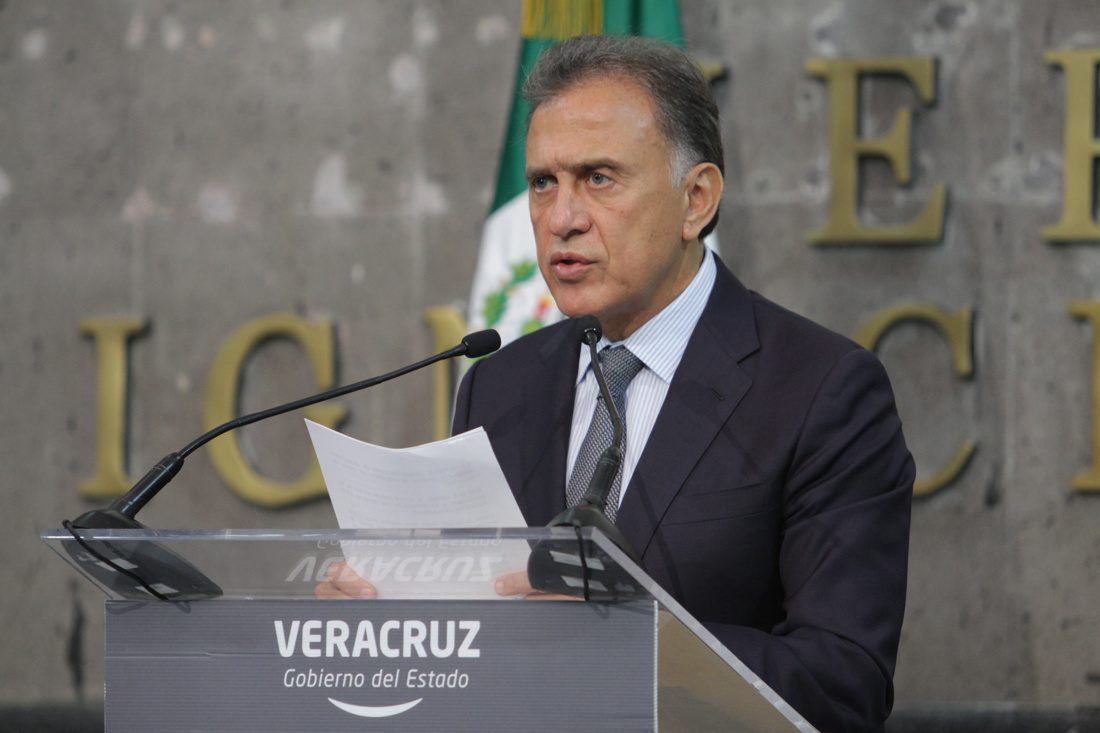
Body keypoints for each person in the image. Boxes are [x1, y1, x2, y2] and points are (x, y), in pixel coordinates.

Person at [321, 34, 914, 733]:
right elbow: (478, 641)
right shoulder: (499, 384)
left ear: (696, 199)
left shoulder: (821, 390)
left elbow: (843, 686)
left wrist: (631, 639)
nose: (562, 218)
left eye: (599, 178)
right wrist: (391, 624)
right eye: (543, 183)